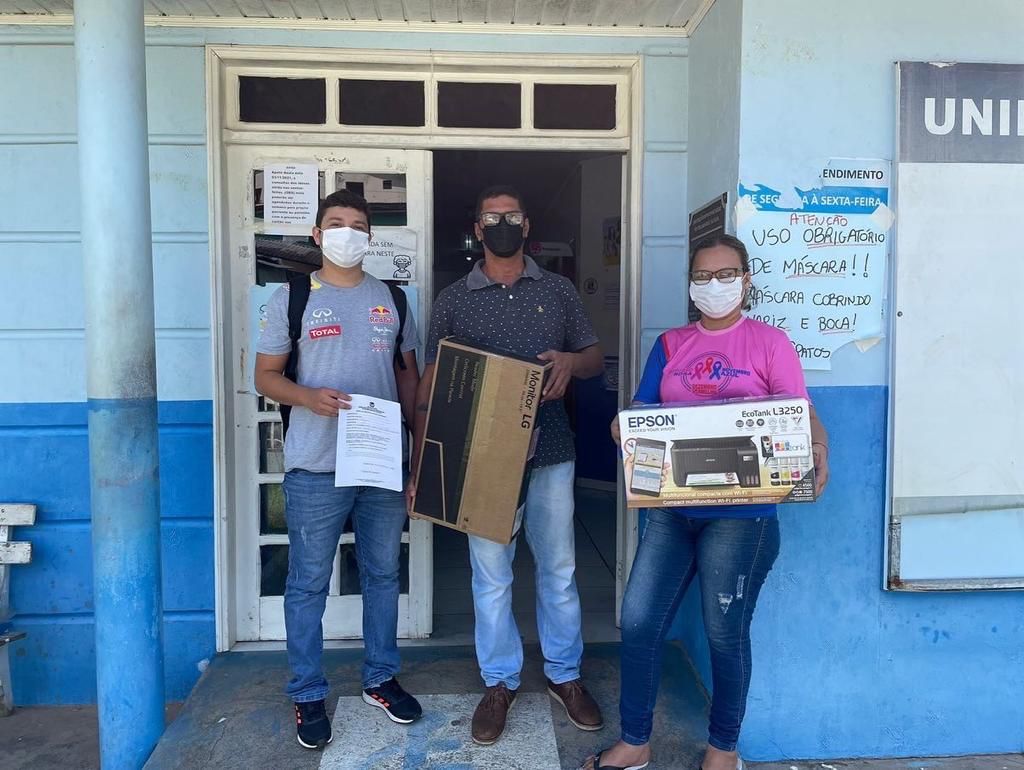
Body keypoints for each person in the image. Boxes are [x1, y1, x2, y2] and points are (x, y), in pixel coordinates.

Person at [582, 234, 830, 770]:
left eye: (726, 274)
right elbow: (643, 408)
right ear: (691, 284)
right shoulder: (671, 345)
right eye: (702, 276)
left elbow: (798, 412)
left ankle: (723, 749)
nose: (713, 285)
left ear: (746, 280)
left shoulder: (771, 343)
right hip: (673, 512)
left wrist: (819, 447)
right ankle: (635, 741)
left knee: (725, 632)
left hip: (743, 519)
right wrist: (625, 427)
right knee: (640, 621)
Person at [409, 185, 606, 746]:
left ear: (527, 225)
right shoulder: (454, 299)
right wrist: (421, 463)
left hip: (551, 450)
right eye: (492, 218)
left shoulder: (558, 290)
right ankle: (499, 681)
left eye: (512, 216)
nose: (502, 224)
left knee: (559, 568)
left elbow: (593, 358)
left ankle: (564, 675)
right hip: (481, 458)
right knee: (491, 574)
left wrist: (570, 361)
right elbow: (432, 382)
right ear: (477, 229)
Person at [254, 189, 423, 750]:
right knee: (307, 582)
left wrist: (417, 452)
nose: (347, 233)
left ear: (369, 237)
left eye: (357, 224)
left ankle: (380, 678)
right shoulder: (293, 297)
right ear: (318, 235)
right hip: (316, 464)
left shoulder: (393, 300)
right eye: (335, 223)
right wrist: (307, 396)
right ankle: (307, 692)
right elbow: (265, 376)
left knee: (383, 574)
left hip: (379, 460)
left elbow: (407, 378)